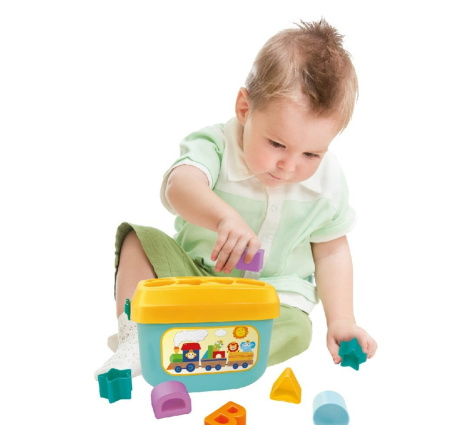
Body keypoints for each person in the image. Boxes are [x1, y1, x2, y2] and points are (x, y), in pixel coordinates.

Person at [94, 19, 377, 380]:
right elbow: (180, 186)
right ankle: (135, 338)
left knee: (297, 329)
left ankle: (204, 348)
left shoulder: (329, 182)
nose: (289, 166)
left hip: (271, 299)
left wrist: (342, 320)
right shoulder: (216, 144)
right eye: (277, 144)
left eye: (311, 154)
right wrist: (223, 217)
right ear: (245, 109)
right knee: (138, 239)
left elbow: (332, 251)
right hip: (193, 280)